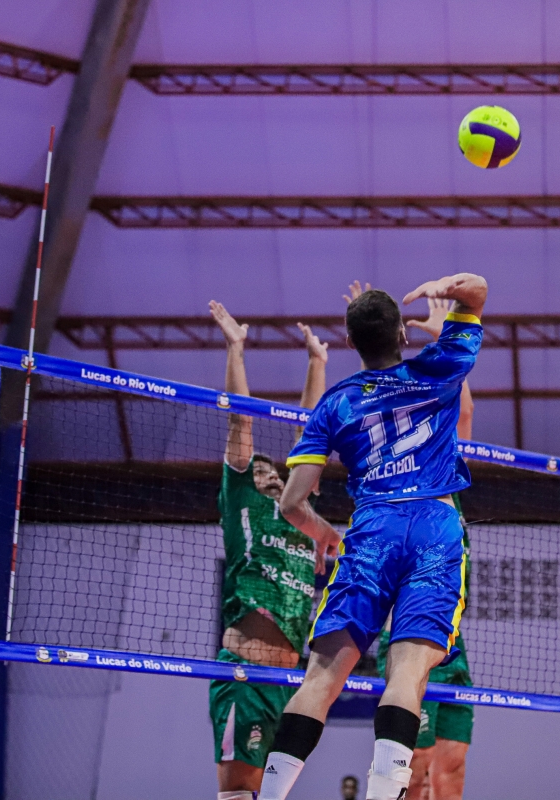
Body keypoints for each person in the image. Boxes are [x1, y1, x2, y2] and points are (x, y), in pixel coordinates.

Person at [259, 273, 488, 800]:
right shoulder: (437, 368)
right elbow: (477, 289)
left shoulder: (335, 403)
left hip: (373, 529)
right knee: (407, 675)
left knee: (322, 677)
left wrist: (323, 532)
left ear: (349, 342)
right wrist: (448, 291)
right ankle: (386, 793)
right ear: (403, 335)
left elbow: (291, 503)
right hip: (434, 527)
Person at [349, 283, 476, 800]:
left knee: (451, 770)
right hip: (408, 628)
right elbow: (372, 402)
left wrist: (443, 335)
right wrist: (371, 333)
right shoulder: (386, 488)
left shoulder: (446, 474)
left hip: (451, 637)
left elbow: (461, 410)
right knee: (415, 766)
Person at [207, 300, 330, 800]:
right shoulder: (244, 504)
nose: (272, 473)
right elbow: (242, 423)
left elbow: (309, 437)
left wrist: (317, 362)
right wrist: (235, 350)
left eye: (277, 472)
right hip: (246, 673)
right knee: (239, 792)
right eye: (260, 471)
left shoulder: (301, 515)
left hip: (290, 680)